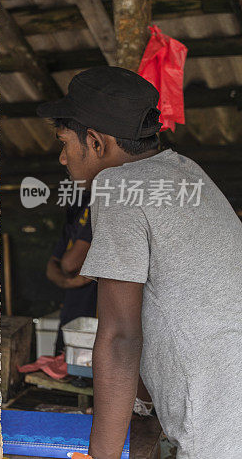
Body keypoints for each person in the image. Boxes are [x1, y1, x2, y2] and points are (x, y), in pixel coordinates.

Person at [37, 66, 242, 458]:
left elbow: (120, 339)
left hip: (219, 431)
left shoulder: (119, 186)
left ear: (95, 142)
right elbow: (165, 308)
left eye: (64, 142)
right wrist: (143, 414)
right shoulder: (188, 173)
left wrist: (103, 457)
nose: (62, 157)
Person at [45, 198, 96, 354]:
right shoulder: (77, 207)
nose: (69, 173)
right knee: (63, 364)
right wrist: (70, 282)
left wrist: (68, 275)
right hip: (72, 310)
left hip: (93, 313)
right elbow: (51, 268)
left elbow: (69, 264)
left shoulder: (100, 203)